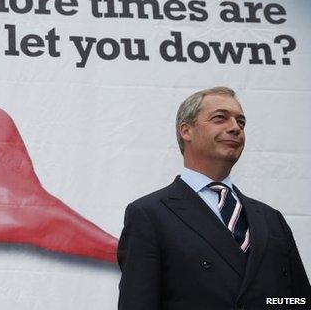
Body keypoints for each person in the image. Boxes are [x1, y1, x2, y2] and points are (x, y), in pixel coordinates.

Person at [117, 87, 310, 310]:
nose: (235, 128)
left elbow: (299, 300)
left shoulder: (271, 218)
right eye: (220, 118)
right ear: (186, 131)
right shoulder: (150, 215)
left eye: (241, 122)